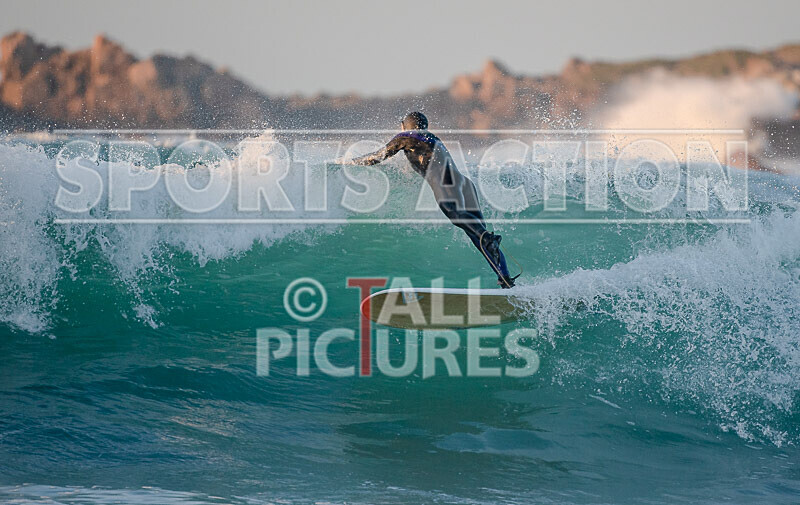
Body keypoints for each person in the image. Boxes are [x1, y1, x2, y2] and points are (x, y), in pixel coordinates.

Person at [345, 112, 517, 288]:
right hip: (465, 185)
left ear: (404, 126)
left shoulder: (405, 136)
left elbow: (378, 156)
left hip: (446, 183)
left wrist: (347, 163)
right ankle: (505, 278)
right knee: (479, 239)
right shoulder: (432, 138)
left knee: (460, 219)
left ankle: (488, 239)